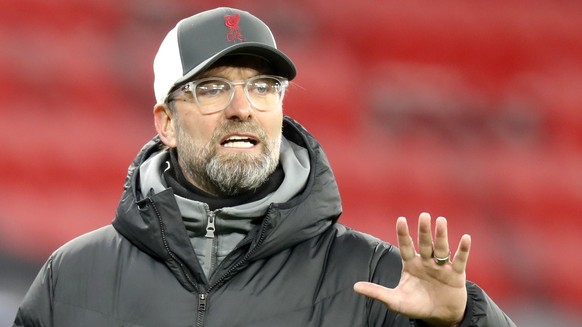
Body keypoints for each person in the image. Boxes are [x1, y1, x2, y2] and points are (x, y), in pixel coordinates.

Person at [14, 7, 516, 327]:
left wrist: (464, 321)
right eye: (212, 87)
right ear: (166, 122)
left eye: (263, 86)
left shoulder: (378, 279)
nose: (243, 107)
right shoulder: (72, 277)